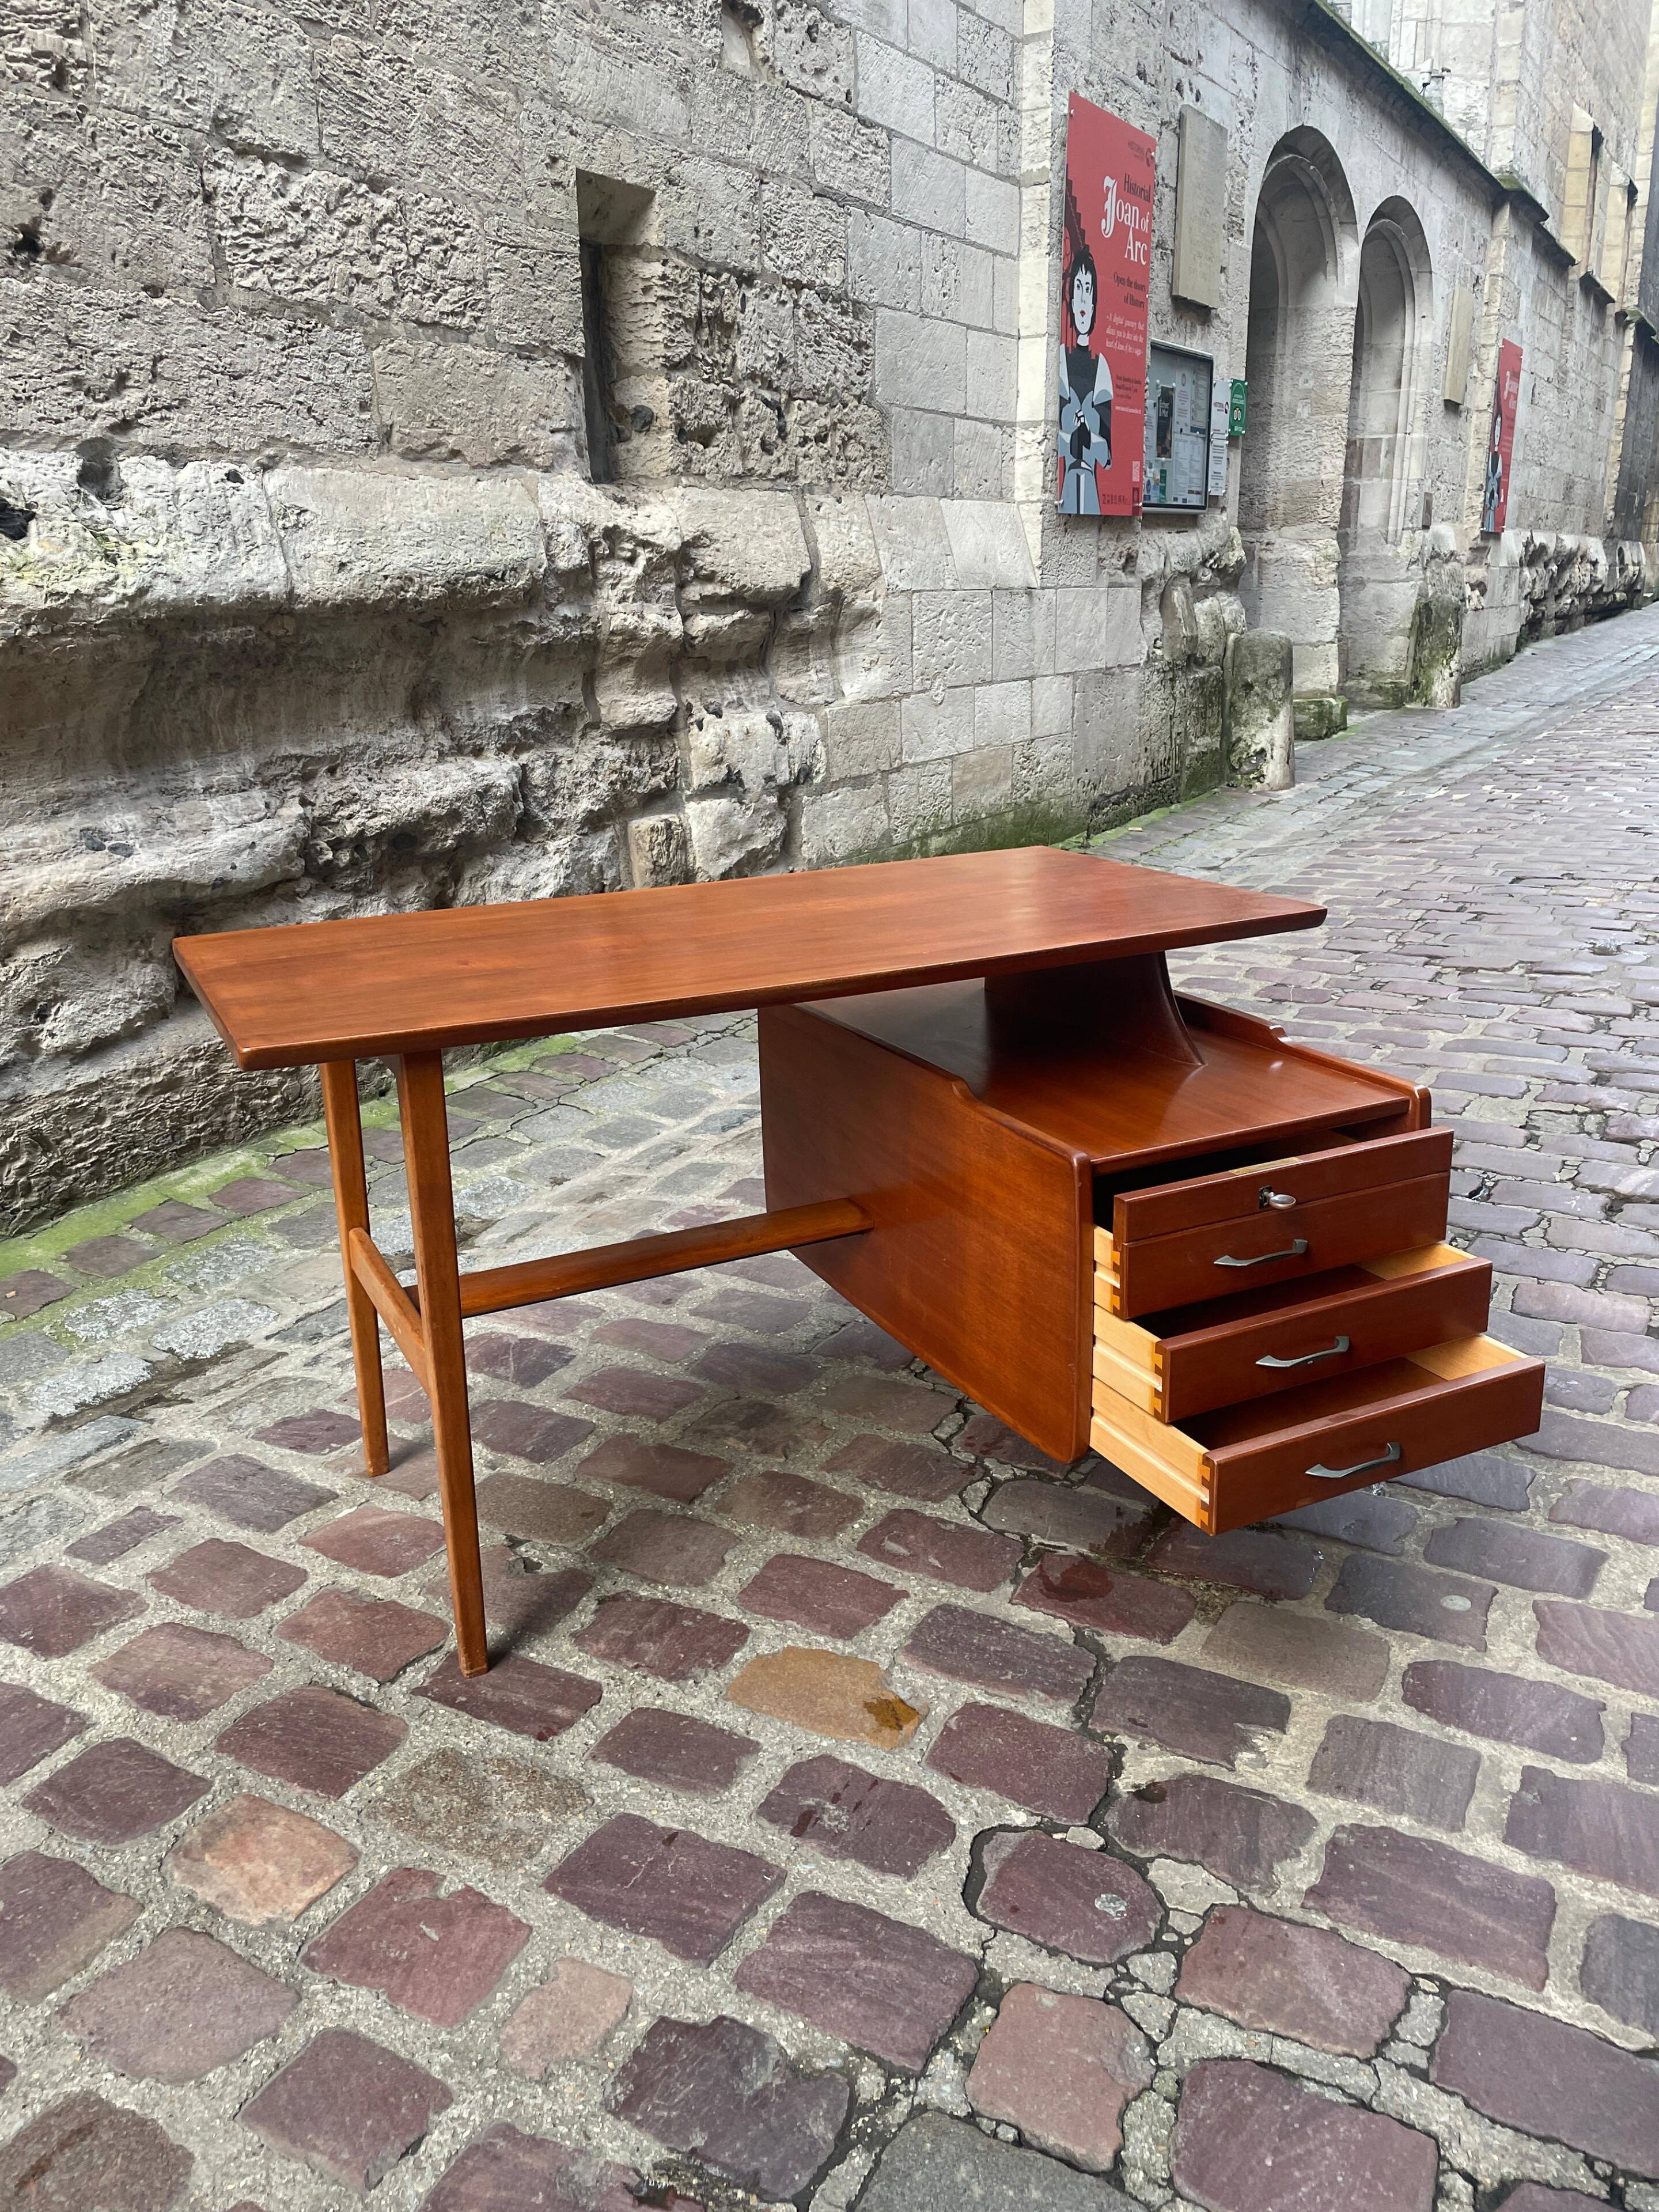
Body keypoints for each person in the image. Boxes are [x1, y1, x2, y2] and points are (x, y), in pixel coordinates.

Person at [1057, 241, 1113, 513]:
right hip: (1067, 484)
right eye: (1078, 288)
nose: (1082, 299)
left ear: (1093, 303)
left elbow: (1108, 455)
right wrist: (1072, 435)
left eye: (1088, 290)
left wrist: (1089, 437)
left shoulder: (1101, 367)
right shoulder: (1061, 361)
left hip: (1091, 485)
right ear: (1070, 295)